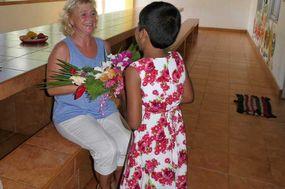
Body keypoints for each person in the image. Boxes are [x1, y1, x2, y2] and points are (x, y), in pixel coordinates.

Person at [46, 0, 131, 188]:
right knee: (106, 148)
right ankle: (104, 186)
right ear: (71, 21)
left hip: (103, 108)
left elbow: (109, 79)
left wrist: (112, 84)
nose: (90, 18)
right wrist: (85, 83)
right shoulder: (62, 49)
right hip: (72, 114)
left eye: (93, 13)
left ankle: (120, 184)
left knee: (126, 141)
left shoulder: (104, 46)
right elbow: (51, 88)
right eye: (83, 14)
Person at [120, 1, 194, 189]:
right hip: (173, 133)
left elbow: (134, 122)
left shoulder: (135, 71)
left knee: (148, 177)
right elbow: (188, 97)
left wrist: (121, 98)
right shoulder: (177, 59)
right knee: (167, 174)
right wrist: (166, 105)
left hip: (150, 141)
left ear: (142, 34)